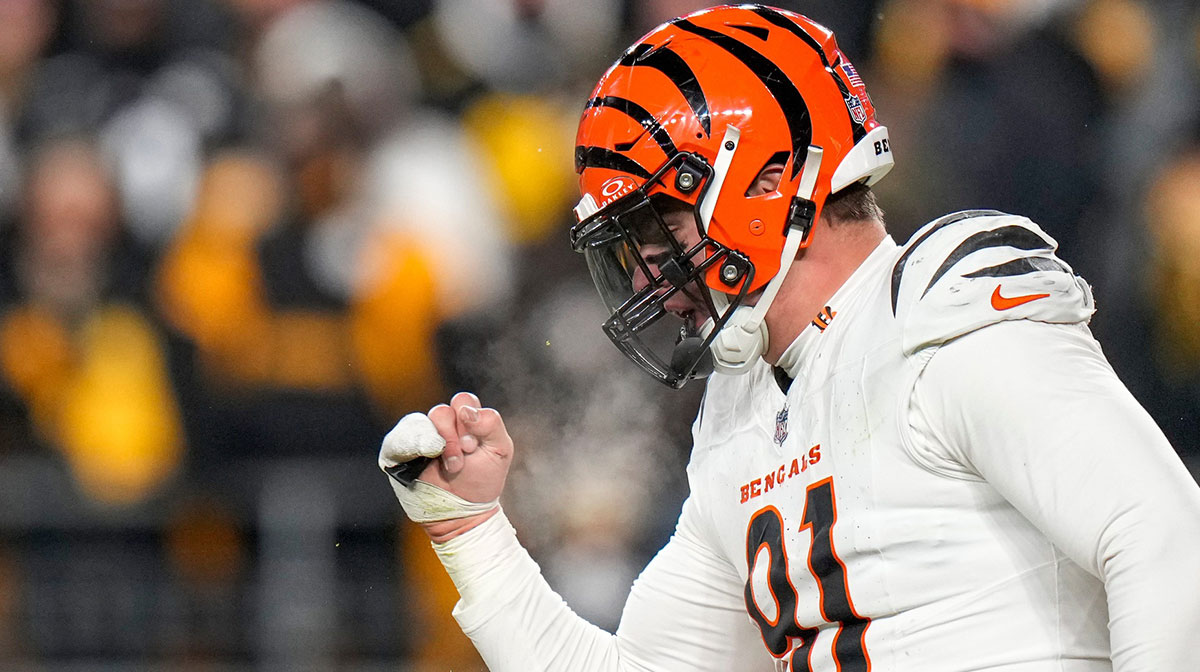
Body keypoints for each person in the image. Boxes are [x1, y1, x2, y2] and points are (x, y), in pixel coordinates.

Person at [378, 6, 1200, 670]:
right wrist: (471, 531)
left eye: (661, 228)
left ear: (770, 182)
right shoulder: (743, 407)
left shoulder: (938, 311)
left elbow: (1162, 535)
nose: (645, 276)